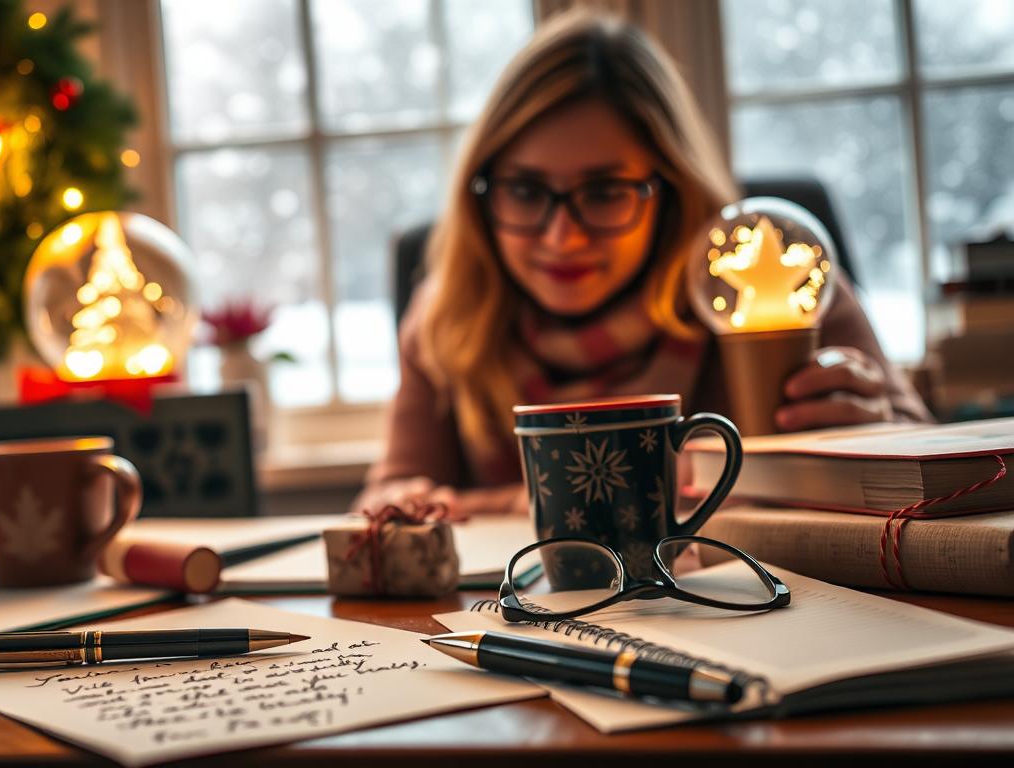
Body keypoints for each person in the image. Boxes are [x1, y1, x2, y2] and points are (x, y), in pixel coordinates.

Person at [356, 10, 931, 520]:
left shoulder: (775, 277)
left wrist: (878, 435)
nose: (563, 236)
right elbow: (391, 499)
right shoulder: (452, 315)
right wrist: (404, 505)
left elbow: (935, 467)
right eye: (527, 191)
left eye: (605, 191)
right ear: (481, 194)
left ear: (673, 190)